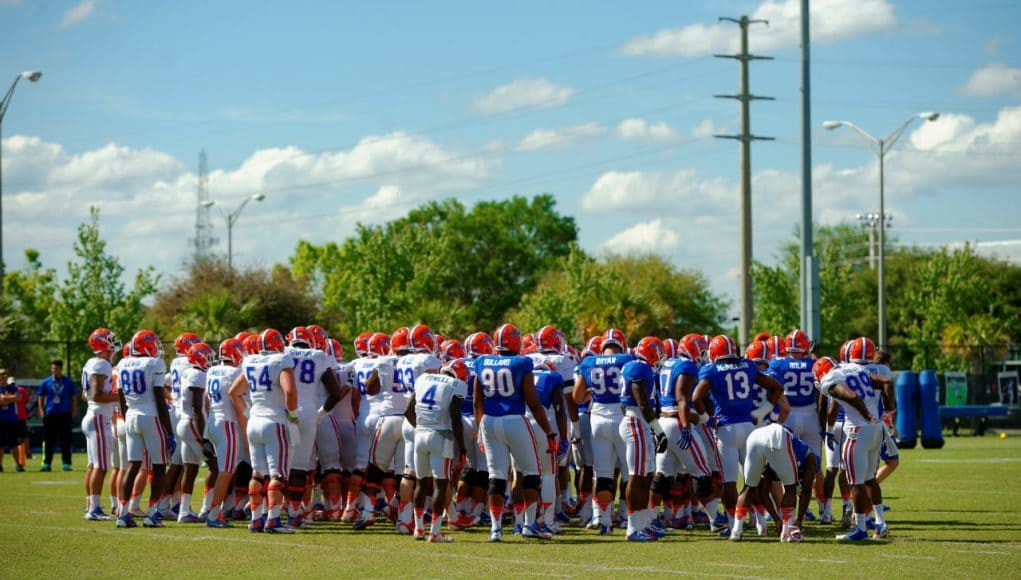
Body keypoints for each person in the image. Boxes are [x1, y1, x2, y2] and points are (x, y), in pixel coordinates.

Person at [691, 335, 789, 537]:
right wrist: (761, 412)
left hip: (726, 429)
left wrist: (707, 420)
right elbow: (776, 388)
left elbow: (696, 398)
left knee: (728, 481)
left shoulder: (710, 369)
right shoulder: (748, 365)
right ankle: (761, 522)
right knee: (753, 477)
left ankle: (734, 525)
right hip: (749, 427)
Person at [474, 324, 558, 542]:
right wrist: (548, 431)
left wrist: (480, 431)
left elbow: (477, 401)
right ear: (515, 341)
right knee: (531, 472)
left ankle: (495, 529)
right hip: (514, 420)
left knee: (496, 475)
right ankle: (529, 524)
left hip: (489, 422)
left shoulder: (482, 361)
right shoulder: (521, 363)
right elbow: (533, 401)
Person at [228, 328, 299, 534]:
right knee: (278, 473)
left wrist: (248, 413)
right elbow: (290, 392)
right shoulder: (281, 360)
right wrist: (293, 415)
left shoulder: (250, 360)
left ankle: (256, 519)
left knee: (257, 473)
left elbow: (234, 392)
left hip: (255, 422)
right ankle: (274, 520)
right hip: (274, 421)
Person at [813, 356, 889, 542]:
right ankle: (881, 522)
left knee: (856, 482)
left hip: (857, 430)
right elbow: (886, 382)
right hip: (876, 429)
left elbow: (851, 396)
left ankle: (860, 528)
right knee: (870, 479)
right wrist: (888, 410)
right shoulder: (855, 369)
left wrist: (865, 414)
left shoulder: (830, 379)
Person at [572, 328, 633, 535]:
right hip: (621, 417)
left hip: (597, 419)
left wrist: (592, 391)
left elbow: (577, 396)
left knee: (603, 474)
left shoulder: (589, 362)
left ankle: (604, 520)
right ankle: (627, 518)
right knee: (628, 473)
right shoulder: (627, 359)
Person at [405, 359, 469, 542]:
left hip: (420, 434)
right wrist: (462, 446)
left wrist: (422, 427)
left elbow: (408, 411)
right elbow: (455, 416)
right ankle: (435, 532)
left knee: (420, 482)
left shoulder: (424, 379)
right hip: (440, 437)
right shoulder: (457, 385)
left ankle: (418, 528)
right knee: (440, 485)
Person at [117, 330, 174, 528]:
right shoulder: (154, 363)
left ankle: (123, 514)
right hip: (151, 416)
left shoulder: (123, 363)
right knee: (159, 466)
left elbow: (120, 396)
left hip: (131, 415)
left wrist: (127, 418)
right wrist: (169, 430)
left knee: (133, 465)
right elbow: (159, 398)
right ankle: (152, 514)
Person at [732, 423, 819, 542]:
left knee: (749, 487)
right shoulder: (810, 458)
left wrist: (776, 519)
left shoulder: (783, 460)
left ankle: (736, 531)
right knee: (790, 488)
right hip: (777, 436)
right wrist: (798, 521)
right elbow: (807, 490)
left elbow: (763, 493)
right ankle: (787, 532)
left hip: (755, 436)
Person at [81, 328, 122, 521]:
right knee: (101, 466)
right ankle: (94, 509)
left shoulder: (92, 363)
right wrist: (120, 397)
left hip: (92, 415)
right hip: (98, 418)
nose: (114, 345)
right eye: (110, 341)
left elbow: (86, 395)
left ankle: (91, 505)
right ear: (103, 344)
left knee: (92, 465)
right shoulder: (101, 365)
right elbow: (97, 395)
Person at [38, 359, 79, 471]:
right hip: (50, 415)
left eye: (55, 369)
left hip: (65, 415)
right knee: (48, 441)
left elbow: (74, 398)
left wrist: (73, 411)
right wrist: (41, 410)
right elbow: (40, 397)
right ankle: (46, 464)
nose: (53, 371)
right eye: (52, 369)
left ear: (61, 369)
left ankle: (66, 463)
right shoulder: (46, 382)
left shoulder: (68, 382)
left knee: (65, 440)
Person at [0, 369, 27, 472]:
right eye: (1, 376)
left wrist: (5, 398)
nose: (3, 378)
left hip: (12, 420)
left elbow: (19, 397)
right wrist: (10, 398)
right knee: (0, 445)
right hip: (1, 420)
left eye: (4, 375)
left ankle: (18, 465)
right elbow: (1, 400)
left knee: (14, 444)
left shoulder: (12, 387)